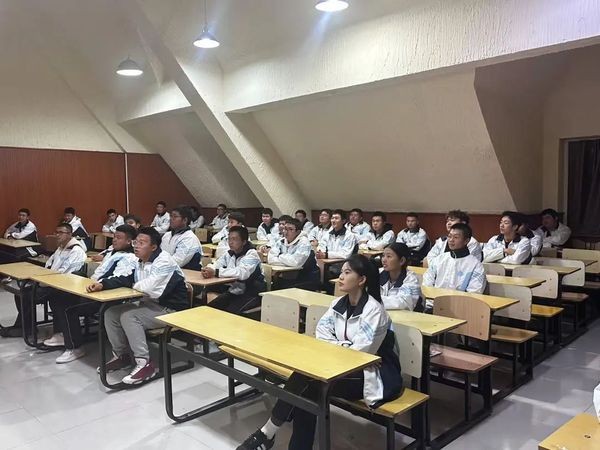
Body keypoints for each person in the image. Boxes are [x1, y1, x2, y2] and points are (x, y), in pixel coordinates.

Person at [237, 254, 402, 450]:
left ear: (362, 280)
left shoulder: (374, 311)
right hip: (335, 366)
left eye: (347, 272)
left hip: (372, 375)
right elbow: (321, 334)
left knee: (307, 383)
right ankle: (288, 442)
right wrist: (344, 346)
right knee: (308, 385)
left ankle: (268, 433)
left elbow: (359, 354)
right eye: (341, 272)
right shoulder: (337, 304)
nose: (341, 276)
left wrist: (336, 346)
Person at [87, 227, 188, 385]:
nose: (136, 246)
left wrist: (134, 284)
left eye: (142, 243)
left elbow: (150, 288)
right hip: (151, 305)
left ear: (153, 247)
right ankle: (122, 356)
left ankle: (144, 363)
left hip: (171, 310)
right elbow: (127, 278)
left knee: (129, 316)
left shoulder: (164, 261)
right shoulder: (140, 260)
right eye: (136, 242)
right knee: (110, 313)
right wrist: (103, 284)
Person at [46, 225, 138, 363]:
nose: (114, 240)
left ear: (129, 241)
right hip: (94, 289)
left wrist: (102, 284)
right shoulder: (112, 252)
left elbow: (120, 279)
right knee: (57, 297)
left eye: (118, 238)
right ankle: (64, 334)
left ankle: (75, 347)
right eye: (114, 236)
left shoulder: (130, 257)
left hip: (107, 297)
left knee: (67, 308)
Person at [1, 223, 87, 338]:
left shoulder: (75, 250)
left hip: (61, 286)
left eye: (61, 233)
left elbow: (64, 273)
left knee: (26, 295)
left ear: (70, 234)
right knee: (20, 293)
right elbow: (49, 264)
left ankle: (26, 328)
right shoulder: (61, 247)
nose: (57, 235)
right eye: (56, 232)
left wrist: (46, 278)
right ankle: (25, 326)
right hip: (50, 281)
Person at [423, 223, 486, 311]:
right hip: (434, 306)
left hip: (460, 310)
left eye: (456, 237)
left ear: (466, 241)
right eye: (449, 236)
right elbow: (427, 282)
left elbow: (474, 294)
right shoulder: (439, 259)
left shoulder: (475, 265)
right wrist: (431, 304)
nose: (451, 240)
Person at [203, 226, 265, 315]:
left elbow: (242, 273)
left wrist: (216, 272)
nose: (230, 242)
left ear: (244, 242)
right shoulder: (229, 253)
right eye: (229, 239)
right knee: (210, 308)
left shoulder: (252, 254)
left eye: (234, 239)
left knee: (229, 314)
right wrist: (209, 269)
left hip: (252, 292)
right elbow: (217, 264)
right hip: (235, 290)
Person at [268, 218, 320, 290]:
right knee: (272, 285)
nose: (286, 231)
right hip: (288, 276)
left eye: (290, 229)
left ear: (298, 232)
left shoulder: (304, 242)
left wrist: (279, 256)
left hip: (306, 278)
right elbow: (270, 259)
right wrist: (287, 261)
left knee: (280, 287)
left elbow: (296, 262)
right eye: (285, 228)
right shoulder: (281, 241)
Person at [380, 243, 421, 311]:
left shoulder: (411, 279)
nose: (384, 260)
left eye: (389, 256)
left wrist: (376, 300)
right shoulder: (378, 273)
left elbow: (403, 303)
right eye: (383, 256)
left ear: (401, 261)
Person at [161, 205, 203, 270]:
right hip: (165, 270)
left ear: (185, 220)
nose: (171, 219)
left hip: (187, 273)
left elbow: (178, 262)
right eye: (171, 216)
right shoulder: (167, 235)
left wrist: (158, 264)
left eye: (175, 216)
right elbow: (159, 255)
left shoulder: (189, 238)